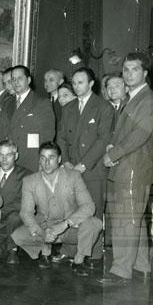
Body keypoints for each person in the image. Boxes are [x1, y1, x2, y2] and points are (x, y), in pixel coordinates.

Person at [100, 53, 153, 285]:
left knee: (125, 218)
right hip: (127, 166)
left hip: (133, 166)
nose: (128, 74)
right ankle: (141, 265)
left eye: (134, 69)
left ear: (145, 73)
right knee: (134, 217)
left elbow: (139, 135)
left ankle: (121, 271)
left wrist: (113, 154)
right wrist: (112, 146)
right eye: (125, 69)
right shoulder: (133, 98)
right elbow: (125, 133)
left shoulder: (149, 100)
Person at [12, 142, 101, 275]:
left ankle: (79, 260)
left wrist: (66, 224)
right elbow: (26, 212)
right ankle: (45, 249)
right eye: (43, 158)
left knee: (94, 224)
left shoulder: (73, 176)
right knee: (18, 236)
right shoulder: (29, 181)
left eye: (51, 158)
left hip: (70, 228)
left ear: (59, 159)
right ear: (39, 160)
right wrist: (42, 233)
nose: (46, 163)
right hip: (45, 228)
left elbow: (89, 206)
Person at [57, 67, 115, 231]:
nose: (76, 86)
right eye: (74, 83)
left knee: (93, 214)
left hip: (93, 170)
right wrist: (66, 161)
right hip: (70, 168)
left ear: (91, 84)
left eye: (80, 82)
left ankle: (94, 247)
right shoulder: (68, 107)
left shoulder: (104, 107)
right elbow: (61, 137)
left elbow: (103, 140)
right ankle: (72, 245)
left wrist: (82, 165)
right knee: (70, 211)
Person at [7, 65, 55, 172]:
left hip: (31, 159)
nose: (16, 82)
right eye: (13, 79)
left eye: (20, 78)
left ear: (28, 80)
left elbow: (48, 135)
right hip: (10, 160)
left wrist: (43, 161)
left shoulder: (41, 102)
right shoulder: (8, 103)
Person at [0, 140, 29, 263]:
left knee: (15, 217)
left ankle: (13, 250)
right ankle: (3, 242)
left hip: (15, 221)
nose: (4, 159)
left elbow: (24, 203)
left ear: (16, 156)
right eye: (1, 154)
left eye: (9, 155)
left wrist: (0, 211)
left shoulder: (27, 175)